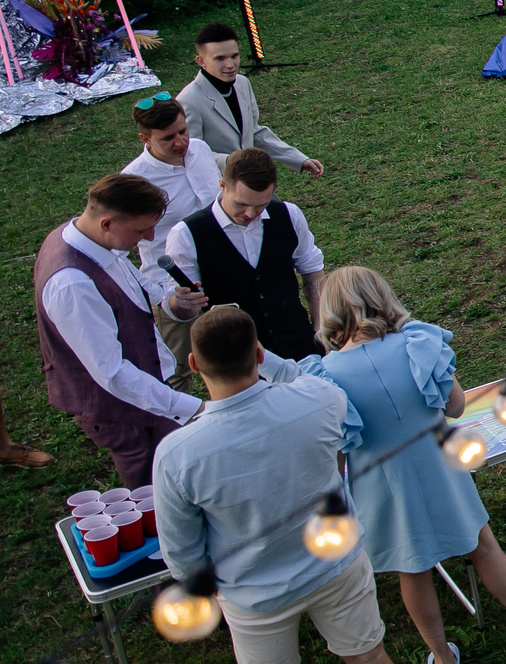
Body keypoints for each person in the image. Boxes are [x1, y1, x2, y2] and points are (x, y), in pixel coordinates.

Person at [152, 305, 438, 664]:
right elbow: (318, 406)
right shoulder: (319, 399)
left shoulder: (178, 454)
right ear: (259, 354)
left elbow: (181, 553)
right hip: (336, 564)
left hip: (252, 592)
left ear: (193, 365)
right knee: (368, 658)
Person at [305, 266, 506, 664]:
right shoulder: (417, 344)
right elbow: (454, 406)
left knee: (411, 569)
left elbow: (338, 447)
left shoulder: (324, 376)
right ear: (382, 296)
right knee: (482, 545)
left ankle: (443, 660)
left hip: (379, 484)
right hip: (439, 465)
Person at [35, 173, 207, 478]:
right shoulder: (72, 284)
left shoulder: (91, 238)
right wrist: (191, 407)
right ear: (107, 223)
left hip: (145, 389)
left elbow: (127, 276)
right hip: (124, 410)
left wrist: (171, 299)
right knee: (152, 485)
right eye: (142, 230)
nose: (152, 237)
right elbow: (112, 372)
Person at [166, 147, 325, 360]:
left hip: (302, 349)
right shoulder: (186, 235)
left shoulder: (289, 215)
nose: (250, 214)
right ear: (222, 186)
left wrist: (320, 327)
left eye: (261, 205)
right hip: (236, 361)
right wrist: (182, 304)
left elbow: (312, 271)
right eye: (241, 204)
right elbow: (181, 310)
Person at [125, 91, 224, 359]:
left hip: (222, 269)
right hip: (173, 287)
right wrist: (157, 293)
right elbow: (119, 248)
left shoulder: (201, 150)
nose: (181, 142)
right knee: (178, 366)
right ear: (145, 139)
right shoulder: (134, 180)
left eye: (183, 131)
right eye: (168, 138)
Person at [177, 22, 323, 177]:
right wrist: (235, 162)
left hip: (250, 179)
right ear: (201, 61)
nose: (230, 65)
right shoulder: (188, 101)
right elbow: (191, 154)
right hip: (218, 186)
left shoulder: (242, 83)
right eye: (220, 58)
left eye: (234, 56)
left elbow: (254, 132)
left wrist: (299, 159)